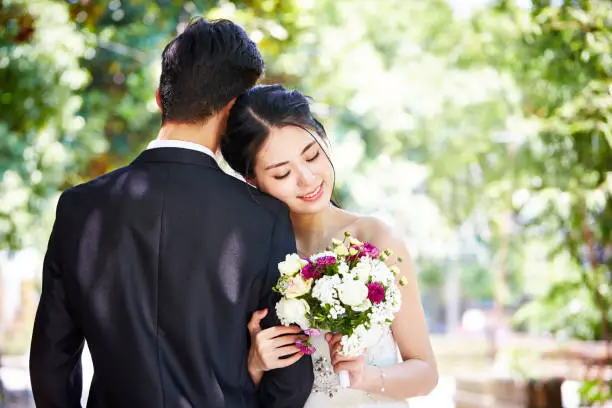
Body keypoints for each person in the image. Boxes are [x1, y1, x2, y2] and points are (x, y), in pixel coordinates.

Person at [29, 19, 313, 408]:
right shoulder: (263, 218)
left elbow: (51, 362)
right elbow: (291, 375)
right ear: (234, 112)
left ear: (160, 100)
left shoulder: (80, 207)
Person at [221, 84, 438, 407]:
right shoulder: (249, 257)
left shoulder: (376, 239)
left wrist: (368, 378)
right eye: (282, 174)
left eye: (312, 155)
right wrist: (256, 363)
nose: (308, 179)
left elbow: (426, 373)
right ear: (253, 181)